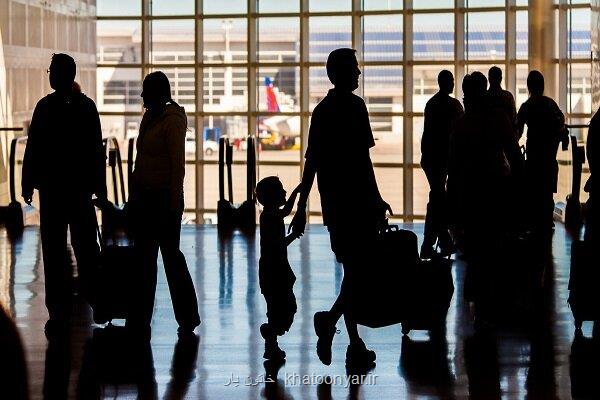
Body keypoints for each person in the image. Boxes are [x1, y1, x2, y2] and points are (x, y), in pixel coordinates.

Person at [289, 48, 392, 368]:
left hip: (335, 203)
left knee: (353, 272)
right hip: (358, 201)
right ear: (344, 73)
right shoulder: (356, 108)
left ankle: (354, 343)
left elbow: (312, 162)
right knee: (358, 273)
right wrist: (376, 199)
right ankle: (332, 322)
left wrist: (303, 204)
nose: (360, 73)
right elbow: (364, 161)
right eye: (356, 68)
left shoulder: (322, 112)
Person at [21, 53, 107, 333]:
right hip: (79, 192)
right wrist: (99, 188)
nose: (49, 75)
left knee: (54, 253)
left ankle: (58, 313)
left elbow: (34, 147)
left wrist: (27, 182)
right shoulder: (87, 107)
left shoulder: (44, 108)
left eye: (51, 71)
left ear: (59, 75)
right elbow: (96, 151)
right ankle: (99, 302)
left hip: (54, 192)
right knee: (86, 250)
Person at [127, 71, 200, 339]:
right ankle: (176, 316)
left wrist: (173, 203)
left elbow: (177, 166)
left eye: (146, 91)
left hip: (162, 198)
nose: (142, 96)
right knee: (150, 259)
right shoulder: (152, 117)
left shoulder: (171, 121)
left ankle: (180, 316)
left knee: (166, 259)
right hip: (147, 198)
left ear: (158, 93)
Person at [448, 71, 520, 326]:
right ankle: (490, 298)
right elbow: (513, 153)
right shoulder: (499, 118)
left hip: (470, 194)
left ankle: (479, 299)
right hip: (496, 190)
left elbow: (454, 169)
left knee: (476, 247)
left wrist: (452, 202)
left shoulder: (461, 125)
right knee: (494, 245)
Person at [255, 177, 301, 360]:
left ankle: (271, 342)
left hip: (269, 270)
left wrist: (297, 193)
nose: (284, 192)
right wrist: (294, 235)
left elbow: (287, 210)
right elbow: (279, 245)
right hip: (277, 270)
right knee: (287, 306)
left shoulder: (269, 215)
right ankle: (271, 331)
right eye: (281, 190)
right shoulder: (271, 217)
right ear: (273, 196)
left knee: (275, 307)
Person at [420, 70, 464, 259]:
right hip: (446, 158)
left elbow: (427, 133)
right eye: (452, 81)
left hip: (431, 158)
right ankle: (434, 243)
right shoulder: (455, 106)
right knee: (439, 199)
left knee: (437, 198)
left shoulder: (431, 104)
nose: (454, 83)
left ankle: (435, 242)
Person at [517, 70, 568, 234]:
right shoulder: (550, 104)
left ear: (529, 86)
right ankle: (546, 220)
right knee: (546, 191)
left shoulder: (526, 106)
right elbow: (561, 121)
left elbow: (517, 130)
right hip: (548, 155)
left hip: (533, 155)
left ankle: (534, 222)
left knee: (533, 190)